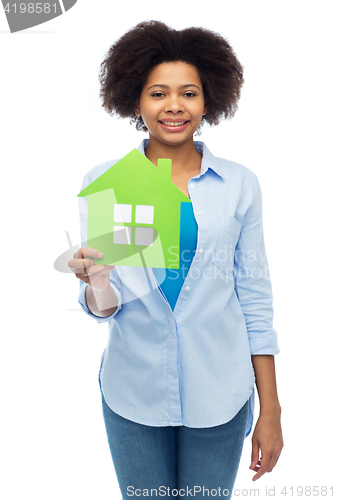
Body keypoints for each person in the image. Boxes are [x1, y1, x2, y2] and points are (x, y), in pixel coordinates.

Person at [68, 20, 283, 499]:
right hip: (133, 392)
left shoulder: (240, 185)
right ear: (136, 100)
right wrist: (97, 281)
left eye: (188, 93)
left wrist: (271, 409)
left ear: (208, 100)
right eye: (157, 93)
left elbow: (254, 300)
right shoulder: (108, 182)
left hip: (221, 395)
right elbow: (106, 306)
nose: (173, 106)